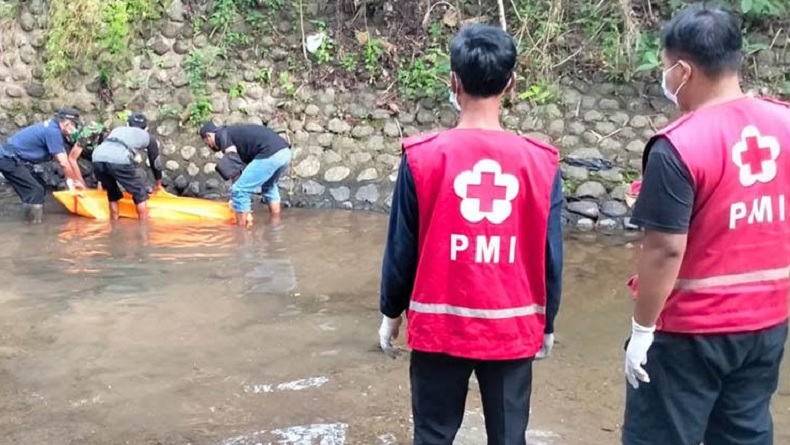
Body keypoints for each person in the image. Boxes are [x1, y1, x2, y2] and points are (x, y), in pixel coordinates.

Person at [377, 24, 564, 445]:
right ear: (511, 84)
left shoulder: (423, 158)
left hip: (440, 327)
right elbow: (550, 255)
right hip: (513, 326)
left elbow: (401, 249)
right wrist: (546, 322)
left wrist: (391, 313)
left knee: (433, 435)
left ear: (453, 82)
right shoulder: (541, 164)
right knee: (508, 437)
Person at [622, 4, 790, 445]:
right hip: (767, 323)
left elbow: (664, 249)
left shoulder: (678, 145)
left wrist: (642, 331)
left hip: (691, 331)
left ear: (683, 70)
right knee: (744, 433)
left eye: (666, 68)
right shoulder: (786, 124)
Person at [0, 108, 86, 223]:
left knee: (40, 185)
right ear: (67, 123)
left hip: (17, 159)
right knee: (35, 190)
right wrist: (73, 182)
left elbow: (64, 158)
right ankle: (34, 227)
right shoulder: (53, 132)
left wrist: (74, 180)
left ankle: (28, 215)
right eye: (75, 125)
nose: (75, 129)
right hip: (8, 159)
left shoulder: (53, 128)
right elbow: (64, 163)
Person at [199, 121, 292, 227]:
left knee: (240, 190)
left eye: (207, 143)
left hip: (270, 153)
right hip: (285, 153)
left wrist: (236, 198)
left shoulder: (221, 135)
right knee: (269, 186)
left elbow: (232, 158)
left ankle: (241, 234)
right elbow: (237, 170)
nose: (209, 146)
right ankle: (276, 223)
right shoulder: (233, 134)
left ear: (209, 136)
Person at [91, 112, 163, 221]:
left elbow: (102, 142)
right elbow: (155, 161)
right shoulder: (147, 136)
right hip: (118, 159)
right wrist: (158, 184)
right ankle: (144, 225)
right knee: (139, 192)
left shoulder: (116, 130)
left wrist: (100, 182)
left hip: (97, 157)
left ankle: (114, 222)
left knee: (112, 192)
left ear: (127, 124)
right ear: (146, 128)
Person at [67, 120, 110, 188]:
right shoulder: (87, 134)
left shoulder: (111, 145)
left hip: (93, 149)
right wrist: (81, 182)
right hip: (74, 144)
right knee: (88, 171)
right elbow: (72, 159)